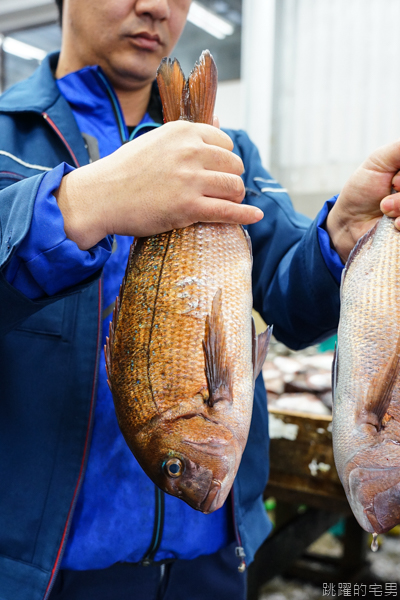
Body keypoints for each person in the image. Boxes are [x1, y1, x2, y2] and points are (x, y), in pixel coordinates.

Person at [1, 1, 400, 599]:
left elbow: (289, 305)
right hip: (44, 575)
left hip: (212, 565)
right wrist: (80, 205)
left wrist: (340, 235)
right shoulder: (9, 135)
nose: (156, 6)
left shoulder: (228, 147)